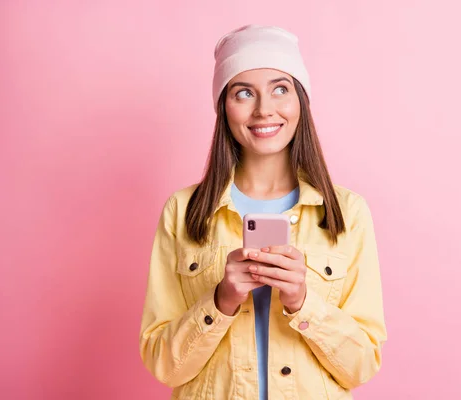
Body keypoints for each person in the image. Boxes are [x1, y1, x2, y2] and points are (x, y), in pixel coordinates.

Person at [139, 24, 387, 399]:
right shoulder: (184, 210)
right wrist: (220, 301)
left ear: (300, 101)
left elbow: (362, 365)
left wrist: (303, 302)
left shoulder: (347, 213)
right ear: (224, 105)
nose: (264, 110)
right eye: (243, 93)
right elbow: (163, 364)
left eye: (280, 89)